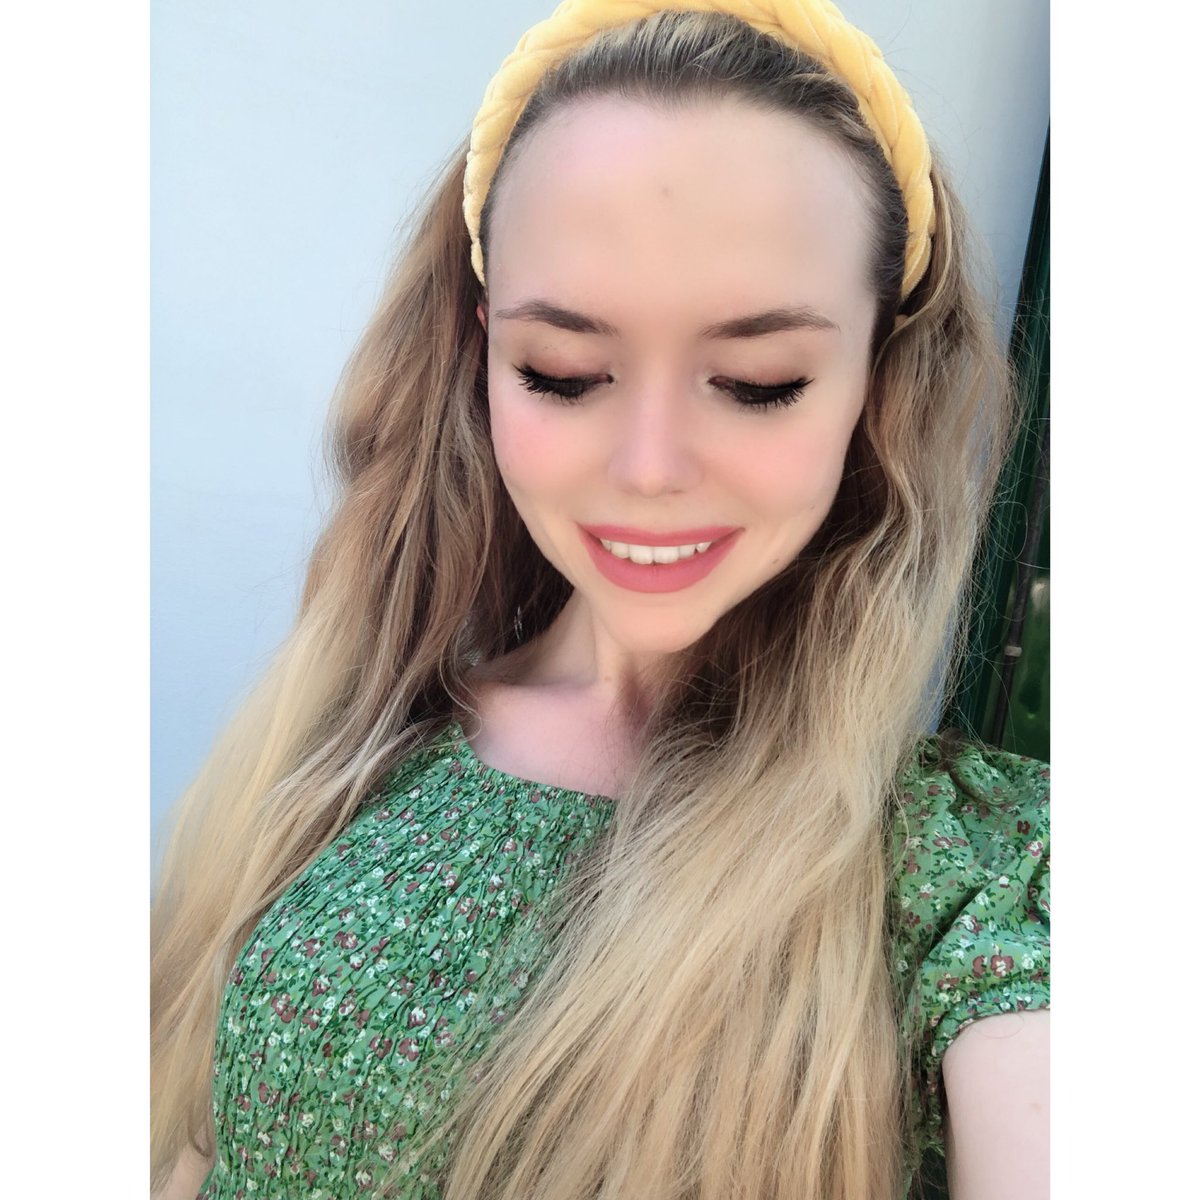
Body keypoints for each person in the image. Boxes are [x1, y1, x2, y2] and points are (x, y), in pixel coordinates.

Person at [151, 3, 1050, 1198]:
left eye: (759, 382)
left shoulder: (967, 878)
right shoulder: (350, 738)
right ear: (483, 355)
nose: (649, 467)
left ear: (874, 382)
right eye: (563, 373)